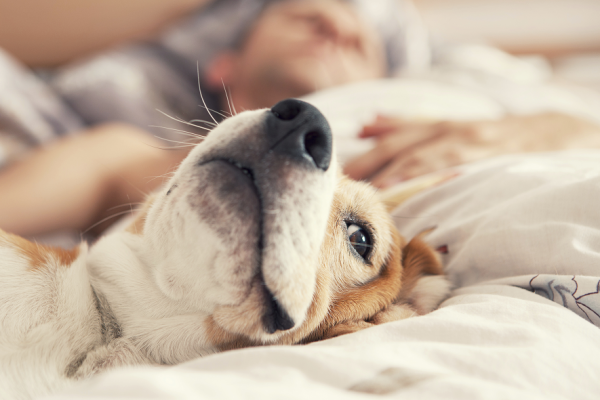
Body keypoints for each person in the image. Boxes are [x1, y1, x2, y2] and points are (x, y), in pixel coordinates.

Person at [1, 0, 599, 237]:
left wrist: (534, 129)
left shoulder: (466, 103)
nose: (338, 22)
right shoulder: (132, 157)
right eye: (303, 15)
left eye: (358, 39)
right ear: (224, 66)